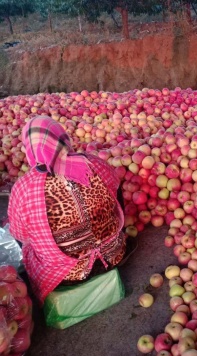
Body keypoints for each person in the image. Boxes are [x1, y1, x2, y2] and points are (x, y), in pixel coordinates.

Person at [8, 116, 135, 305]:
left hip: (67, 275)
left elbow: (20, 235)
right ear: (62, 138)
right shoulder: (95, 164)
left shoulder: (23, 188)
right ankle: (109, 255)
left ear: (29, 149)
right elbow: (119, 205)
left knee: (27, 244)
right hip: (112, 255)